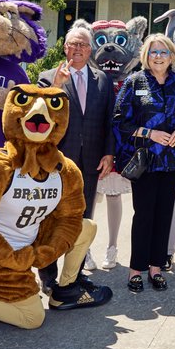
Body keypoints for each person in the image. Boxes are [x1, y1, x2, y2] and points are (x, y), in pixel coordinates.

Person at [113, 34, 175, 293]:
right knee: (144, 215)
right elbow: (119, 120)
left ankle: (156, 268)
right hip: (145, 160)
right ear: (145, 56)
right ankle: (135, 270)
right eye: (153, 52)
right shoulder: (134, 82)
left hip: (170, 161)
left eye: (163, 52)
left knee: (164, 216)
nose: (158, 56)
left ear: (172, 56)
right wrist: (150, 134)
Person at [37, 25, 116, 289]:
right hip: (55, 163)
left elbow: (109, 121)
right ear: (64, 47)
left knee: (82, 219)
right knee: (50, 217)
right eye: (73, 44)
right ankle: (48, 276)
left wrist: (109, 153)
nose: (78, 49)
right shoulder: (48, 78)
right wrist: (57, 86)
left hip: (91, 161)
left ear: (90, 49)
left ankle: (75, 273)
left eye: (83, 44)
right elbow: (39, 117)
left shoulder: (102, 79)